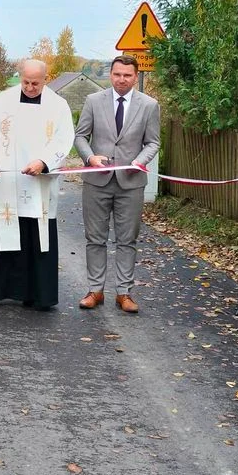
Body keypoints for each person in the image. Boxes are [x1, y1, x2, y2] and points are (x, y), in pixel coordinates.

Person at [0, 59, 74, 311]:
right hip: (4, 184)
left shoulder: (58, 106)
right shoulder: (3, 101)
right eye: (25, 81)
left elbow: (64, 140)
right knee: (0, 239)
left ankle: (37, 295)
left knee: (36, 240)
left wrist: (44, 162)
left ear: (45, 79)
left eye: (35, 83)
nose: (29, 87)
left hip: (39, 185)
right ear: (20, 77)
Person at [74, 54, 160, 313]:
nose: (121, 79)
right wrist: (90, 157)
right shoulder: (93, 101)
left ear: (135, 76)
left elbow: (153, 141)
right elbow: (80, 136)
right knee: (95, 239)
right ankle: (95, 290)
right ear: (110, 75)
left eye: (127, 75)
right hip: (97, 181)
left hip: (131, 182)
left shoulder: (149, 105)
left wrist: (139, 161)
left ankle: (124, 293)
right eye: (117, 74)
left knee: (127, 239)